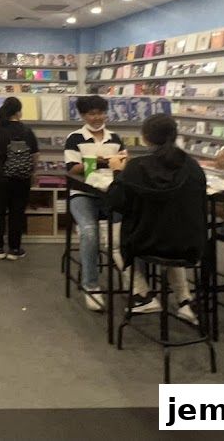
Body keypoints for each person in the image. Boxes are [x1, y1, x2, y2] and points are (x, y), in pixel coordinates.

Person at [106, 114, 206, 324]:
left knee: (113, 242)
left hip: (146, 242)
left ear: (145, 137)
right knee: (170, 235)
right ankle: (185, 300)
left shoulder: (137, 167)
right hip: (189, 243)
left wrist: (117, 171)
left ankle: (142, 295)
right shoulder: (192, 166)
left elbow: (116, 202)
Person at [63, 95, 128, 311]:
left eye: (100, 112)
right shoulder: (74, 138)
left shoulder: (115, 137)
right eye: (92, 113)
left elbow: (123, 165)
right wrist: (101, 161)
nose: (97, 117)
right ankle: (91, 285)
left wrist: (115, 163)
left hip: (110, 194)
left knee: (123, 233)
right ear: (82, 115)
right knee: (89, 231)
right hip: (82, 194)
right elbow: (72, 168)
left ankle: (134, 284)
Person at [0, 96, 40, 260]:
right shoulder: (27, 131)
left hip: (0, 177)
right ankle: (15, 249)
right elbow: (35, 155)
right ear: (19, 112)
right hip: (22, 178)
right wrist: (31, 172)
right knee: (17, 213)